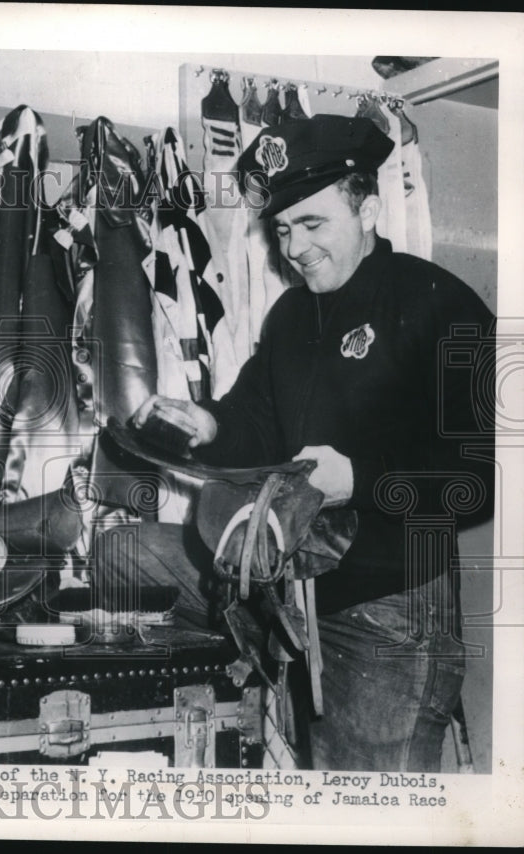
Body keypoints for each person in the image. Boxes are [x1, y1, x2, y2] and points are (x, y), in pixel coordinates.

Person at [124, 114, 495, 771]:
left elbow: (483, 478)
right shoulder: (291, 315)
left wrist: (360, 480)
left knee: (380, 822)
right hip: (298, 598)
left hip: (394, 617)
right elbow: (251, 425)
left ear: (370, 209)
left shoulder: (438, 302)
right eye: (284, 229)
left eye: (313, 224)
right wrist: (206, 424)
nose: (294, 247)